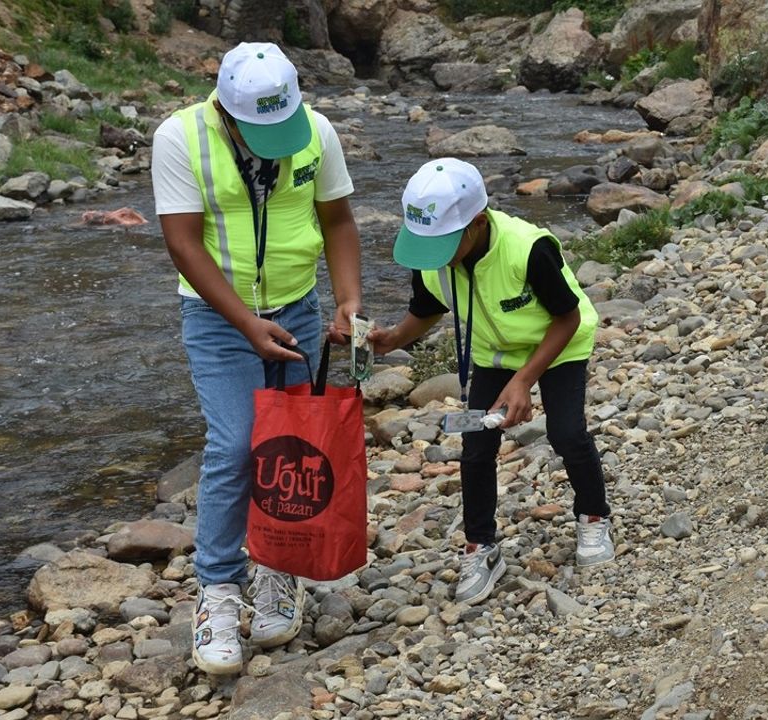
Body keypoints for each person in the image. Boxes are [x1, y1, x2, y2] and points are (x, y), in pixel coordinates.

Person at [151, 41, 361, 674]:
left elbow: (339, 221)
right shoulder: (179, 136)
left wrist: (347, 300)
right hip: (218, 317)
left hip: (297, 306)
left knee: (293, 445)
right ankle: (216, 590)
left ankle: (278, 567)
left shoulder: (316, 132)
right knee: (237, 443)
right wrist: (246, 324)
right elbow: (183, 244)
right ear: (226, 110)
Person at [367, 158, 614, 605]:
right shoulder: (432, 253)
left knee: (567, 433)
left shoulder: (529, 248)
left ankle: (594, 516)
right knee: (477, 450)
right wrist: (391, 339)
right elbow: (426, 309)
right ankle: (481, 546)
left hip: (559, 344)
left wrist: (524, 381)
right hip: (494, 353)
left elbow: (567, 317)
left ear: (477, 223)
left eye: (442, 241)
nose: (431, 252)